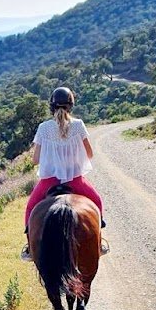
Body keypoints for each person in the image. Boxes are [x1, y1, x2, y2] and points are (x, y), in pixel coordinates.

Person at [21, 86, 108, 260]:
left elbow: (35, 159)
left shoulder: (44, 128)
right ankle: (99, 243)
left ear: (51, 106)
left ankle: (29, 248)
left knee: (30, 208)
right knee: (97, 202)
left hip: (49, 182)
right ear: (71, 105)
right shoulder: (78, 125)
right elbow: (89, 154)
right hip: (75, 180)